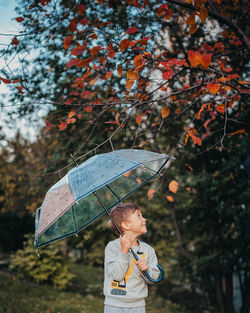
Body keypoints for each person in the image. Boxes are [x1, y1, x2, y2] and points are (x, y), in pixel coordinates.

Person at [103, 203, 161, 313]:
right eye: (139, 216)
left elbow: (154, 278)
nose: (145, 219)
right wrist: (124, 251)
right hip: (114, 304)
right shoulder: (112, 247)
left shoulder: (148, 250)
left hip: (137, 305)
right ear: (125, 225)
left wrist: (146, 270)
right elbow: (117, 275)